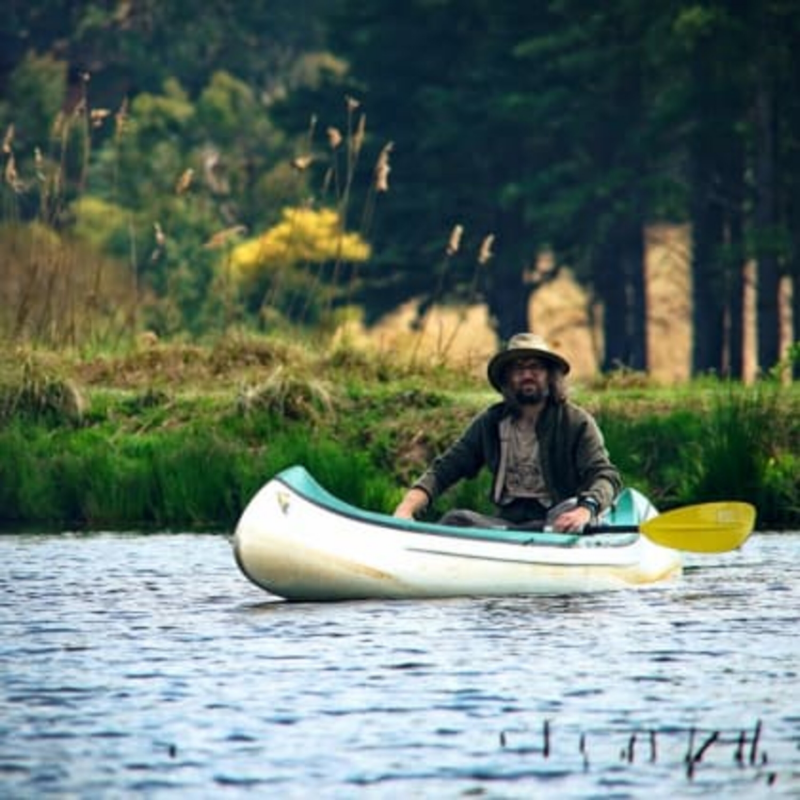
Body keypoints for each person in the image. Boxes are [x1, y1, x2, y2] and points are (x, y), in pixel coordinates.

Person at [393, 332, 622, 532]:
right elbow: (444, 470)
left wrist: (585, 510)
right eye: (518, 368)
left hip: (558, 524)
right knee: (456, 520)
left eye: (535, 367)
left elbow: (605, 476)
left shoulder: (575, 422)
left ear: (550, 375)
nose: (527, 374)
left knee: (564, 515)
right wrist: (405, 509)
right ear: (507, 378)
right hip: (508, 526)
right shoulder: (490, 423)